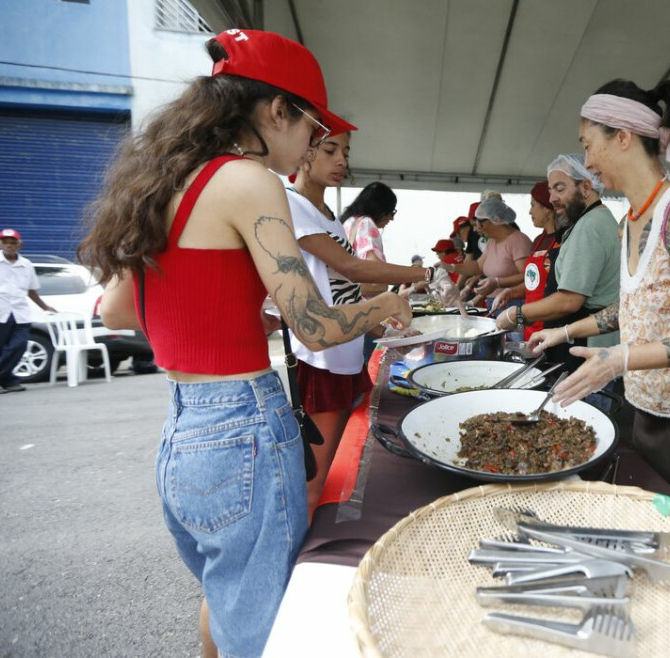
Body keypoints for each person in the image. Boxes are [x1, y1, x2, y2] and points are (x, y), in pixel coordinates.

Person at [76, 30, 411, 658]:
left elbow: (121, 310)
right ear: (277, 110)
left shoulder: (159, 179)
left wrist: (234, 320)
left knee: (227, 597)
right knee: (263, 633)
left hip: (182, 432)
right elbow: (314, 325)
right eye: (314, 130)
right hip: (241, 432)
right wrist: (384, 306)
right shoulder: (249, 181)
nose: (314, 145)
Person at [526, 78, 670, 537]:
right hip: (647, 406)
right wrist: (565, 333)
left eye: (589, 145)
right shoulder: (629, 220)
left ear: (623, 137)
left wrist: (620, 359)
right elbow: (630, 308)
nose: (588, 162)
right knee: (658, 540)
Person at [286, 128, 432, 515]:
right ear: (304, 153)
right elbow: (351, 268)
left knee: (333, 469)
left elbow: (346, 292)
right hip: (321, 360)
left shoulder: (330, 218)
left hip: (343, 357)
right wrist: (422, 275)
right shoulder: (293, 205)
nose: (342, 161)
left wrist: (384, 333)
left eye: (345, 153)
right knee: (314, 483)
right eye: (331, 150)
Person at [496, 156, 621, 372]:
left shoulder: (589, 226)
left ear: (586, 187)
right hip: (581, 340)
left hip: (584, 349)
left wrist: (516, 314)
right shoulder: (594, 219)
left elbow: (569, 300)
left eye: (560, 189)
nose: (552, 198)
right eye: (551, 190)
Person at [0, 228, 56, 394]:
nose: (9, 245)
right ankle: (8, 381)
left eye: (13, 243)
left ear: (20, 245)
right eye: (5, 242)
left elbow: (31, 290)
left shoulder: (26, 264)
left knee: (18, 346)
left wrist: (45, 307)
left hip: (20, 313)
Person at [489, 181, 562, 320]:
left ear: (547, 208)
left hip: (551, 321)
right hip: (530, 318)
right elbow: (532, 283)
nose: (530, 211)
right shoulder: (538, 240)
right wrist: (510, 292)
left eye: (533, 205)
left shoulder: (563, 241)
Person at [443, 199, 531, 311]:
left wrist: (497, 282)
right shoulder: (492, 241)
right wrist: (451, 267)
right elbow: (477, 266)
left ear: (495, 220)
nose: (477, 229)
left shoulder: (518, 241)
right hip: (495, 303)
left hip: (513, 304)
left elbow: (527, 276)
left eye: (480, 223)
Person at [341, 181, 398, 300]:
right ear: (380, 208)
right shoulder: (365, 223)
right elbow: (375, 272)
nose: (391, 218)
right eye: (391, 212)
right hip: (364, 305)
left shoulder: (348, 222)